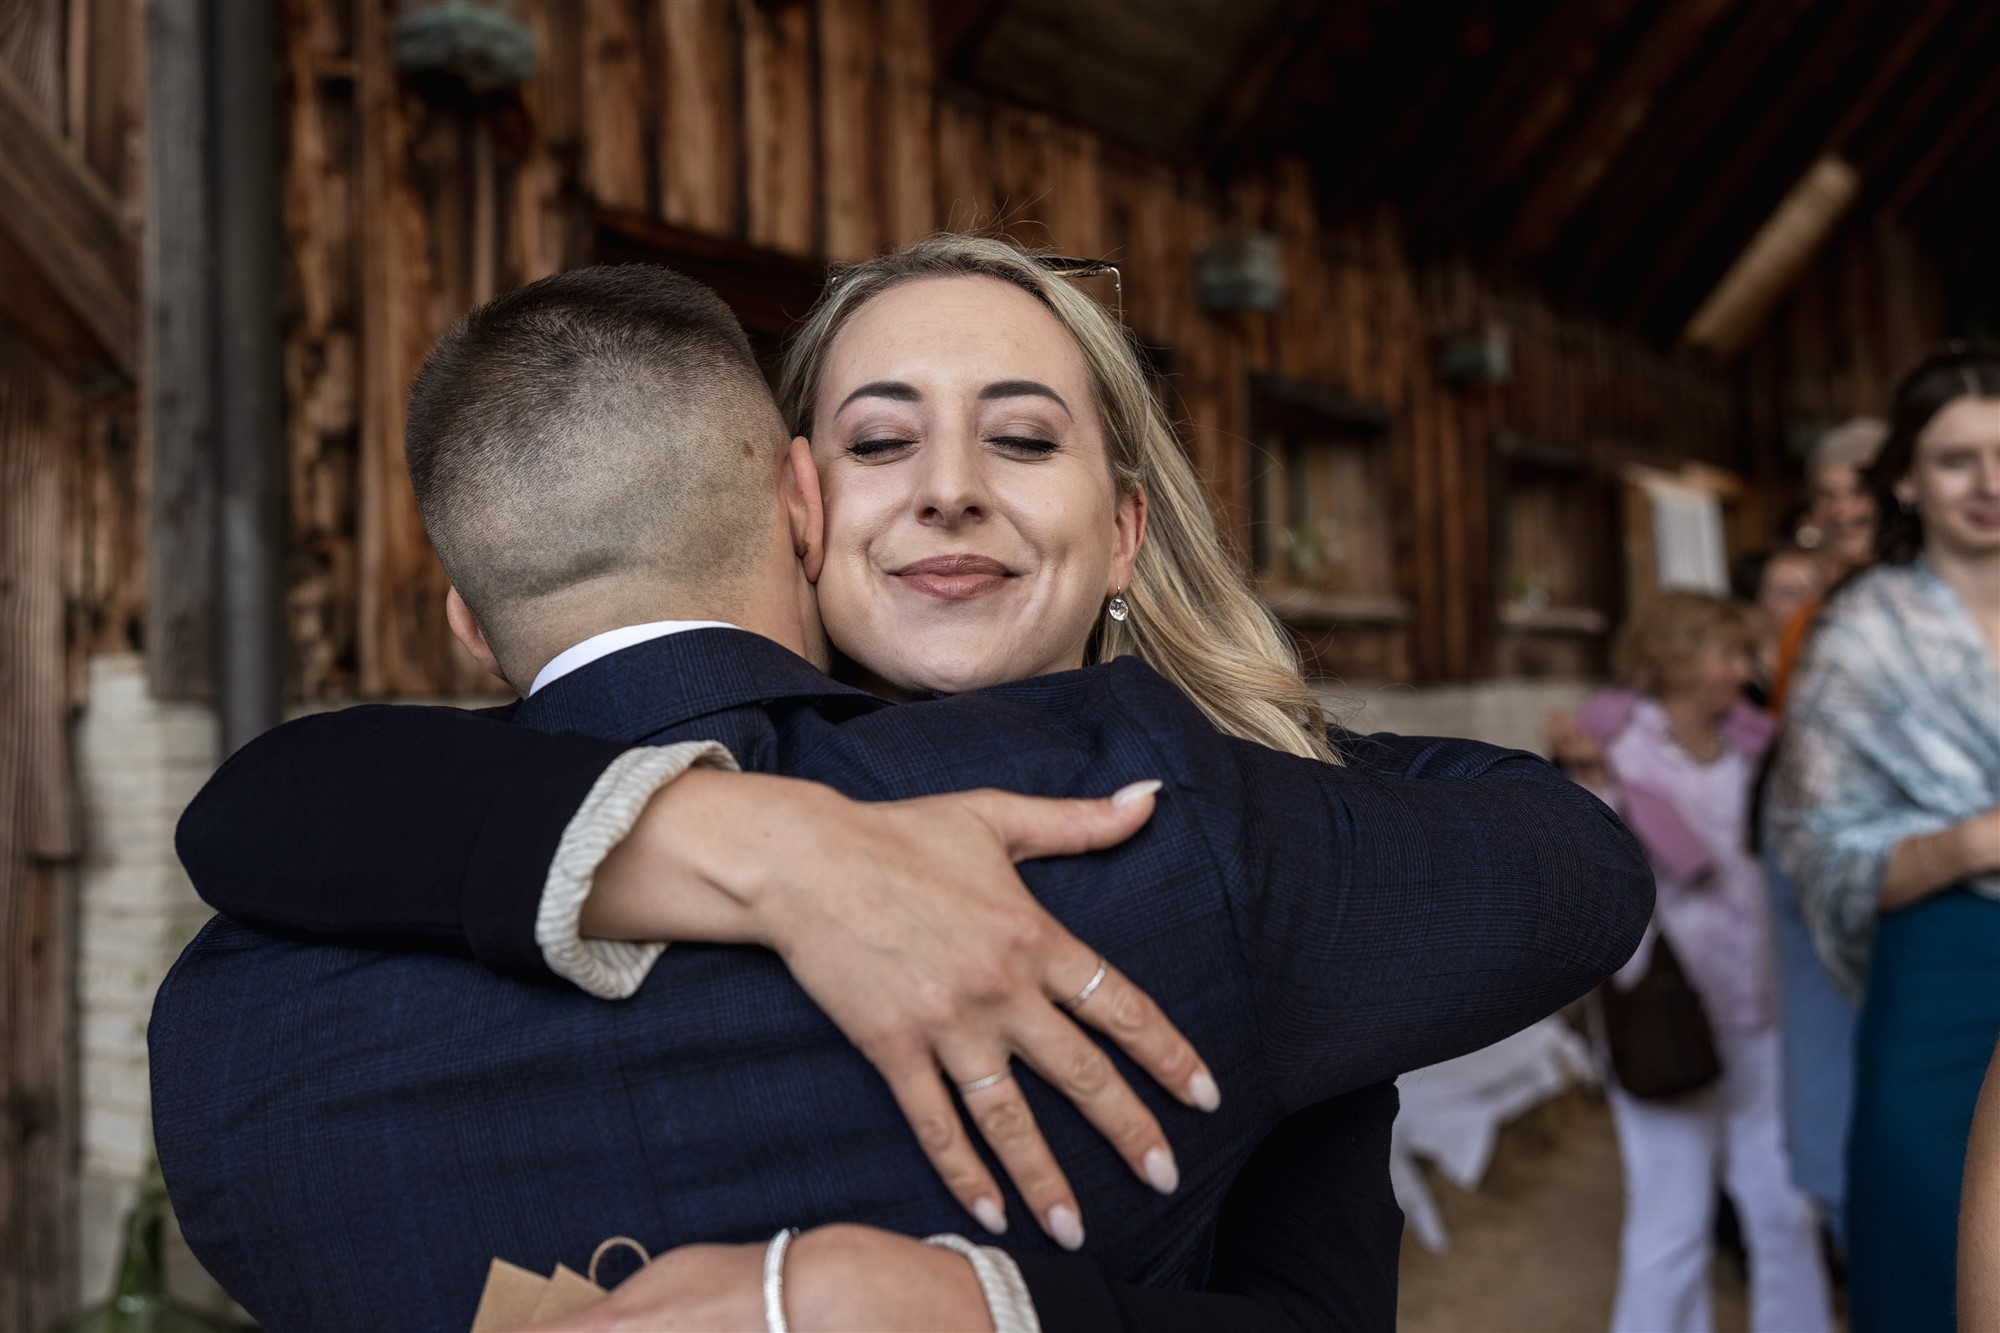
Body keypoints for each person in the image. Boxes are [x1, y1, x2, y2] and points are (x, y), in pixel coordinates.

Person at [154, 248, 1651, 1331]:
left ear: (1124, 529)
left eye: (1023, 435)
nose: (948, 486)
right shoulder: (1193, 849)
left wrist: (955, 1307)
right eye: (881, 439)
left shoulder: (1233, 839)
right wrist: (745, 834)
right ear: (794, 504)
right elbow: (276, 799)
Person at [1767, 348, 2000, 1332]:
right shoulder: (1856, 632)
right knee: (1929, 1252)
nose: (1989, 484)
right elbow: (1811, 846)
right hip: (1941, 971)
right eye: (1955, 459)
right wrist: (1972, 841)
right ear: (1903, 476)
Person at [1555, 593, 1833, 1333]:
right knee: (1671, 1218)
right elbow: (1594, 878)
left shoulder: (1754, 746)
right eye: (1727, 654)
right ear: (1675, 657)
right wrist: (1595, 778)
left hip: (1761, 1005)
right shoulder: (1609, 749)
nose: (1744, 671)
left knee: (1783, 1209)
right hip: (1663, 1012)